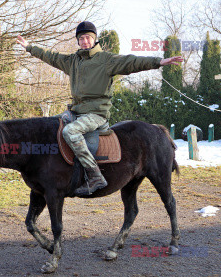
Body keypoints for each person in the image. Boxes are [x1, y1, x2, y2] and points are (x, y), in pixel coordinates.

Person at [17, 21, 183, 196]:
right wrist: (29, 47)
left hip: (96, 114)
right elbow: (51, 56)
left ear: (95, 39)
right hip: (76, 111)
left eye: (88, 37)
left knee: (70, 132)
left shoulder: (106, 60)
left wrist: (160, 62)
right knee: (49, 126)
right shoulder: (72, 61)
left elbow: (132, 62)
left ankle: (94, 175)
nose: (84, 41)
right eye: (81, 38)